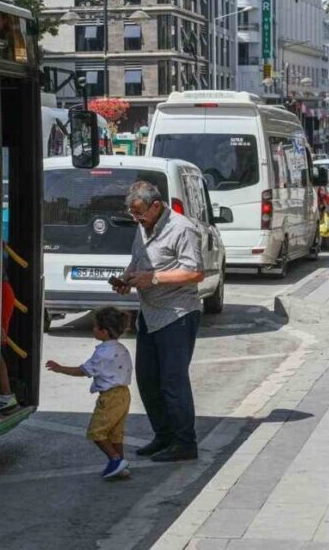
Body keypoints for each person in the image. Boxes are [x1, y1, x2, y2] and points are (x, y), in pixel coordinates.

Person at [113, 181, 205, 462]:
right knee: (148, 379)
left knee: (173, 381)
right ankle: (163, 435)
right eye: (132, 214)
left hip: (177, 313)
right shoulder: (143, 227)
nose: (136, 219)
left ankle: (185, 442)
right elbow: (137, 261)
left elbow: (195, 272)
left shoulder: (182, 228)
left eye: (139, 213)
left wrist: (153, 278)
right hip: (150, 315)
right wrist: (127, 278)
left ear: (156, 205)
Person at [45, 307, 134, 479]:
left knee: (97, 432)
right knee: (116, 433)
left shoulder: (102, 353)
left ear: (104, 331)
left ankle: (115, 459)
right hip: (124, 394)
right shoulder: (121, 348)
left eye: (95, 327)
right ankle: (121, 462)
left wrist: (60, 368)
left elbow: (84, 371)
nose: (93, 329)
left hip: (109, 397)